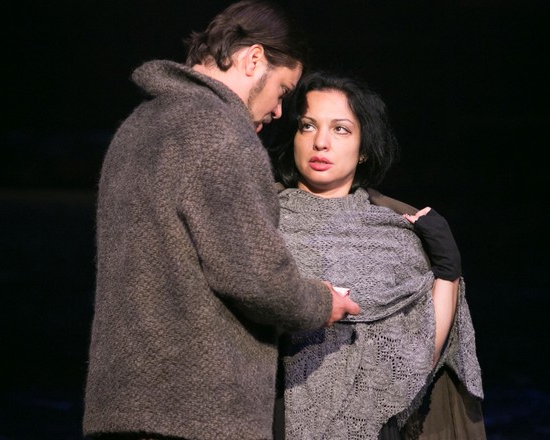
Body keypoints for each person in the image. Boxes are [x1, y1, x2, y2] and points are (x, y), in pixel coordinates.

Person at [83, 3, 360, 439]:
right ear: (253, 59)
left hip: (120, 407)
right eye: (283, 92)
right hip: (195, 415)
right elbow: (255, 276)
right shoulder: (218, 130)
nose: (276, 113)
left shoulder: (136, 128)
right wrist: (322, 303)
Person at [270, 72, 485, 439]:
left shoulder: (394, 237)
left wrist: (448, 272)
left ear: (364, 147)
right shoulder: (261, 220)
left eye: (340, 130)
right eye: (308, 126)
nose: (320, 142)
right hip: (273, 415)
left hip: (376, 423)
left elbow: (418, 360)